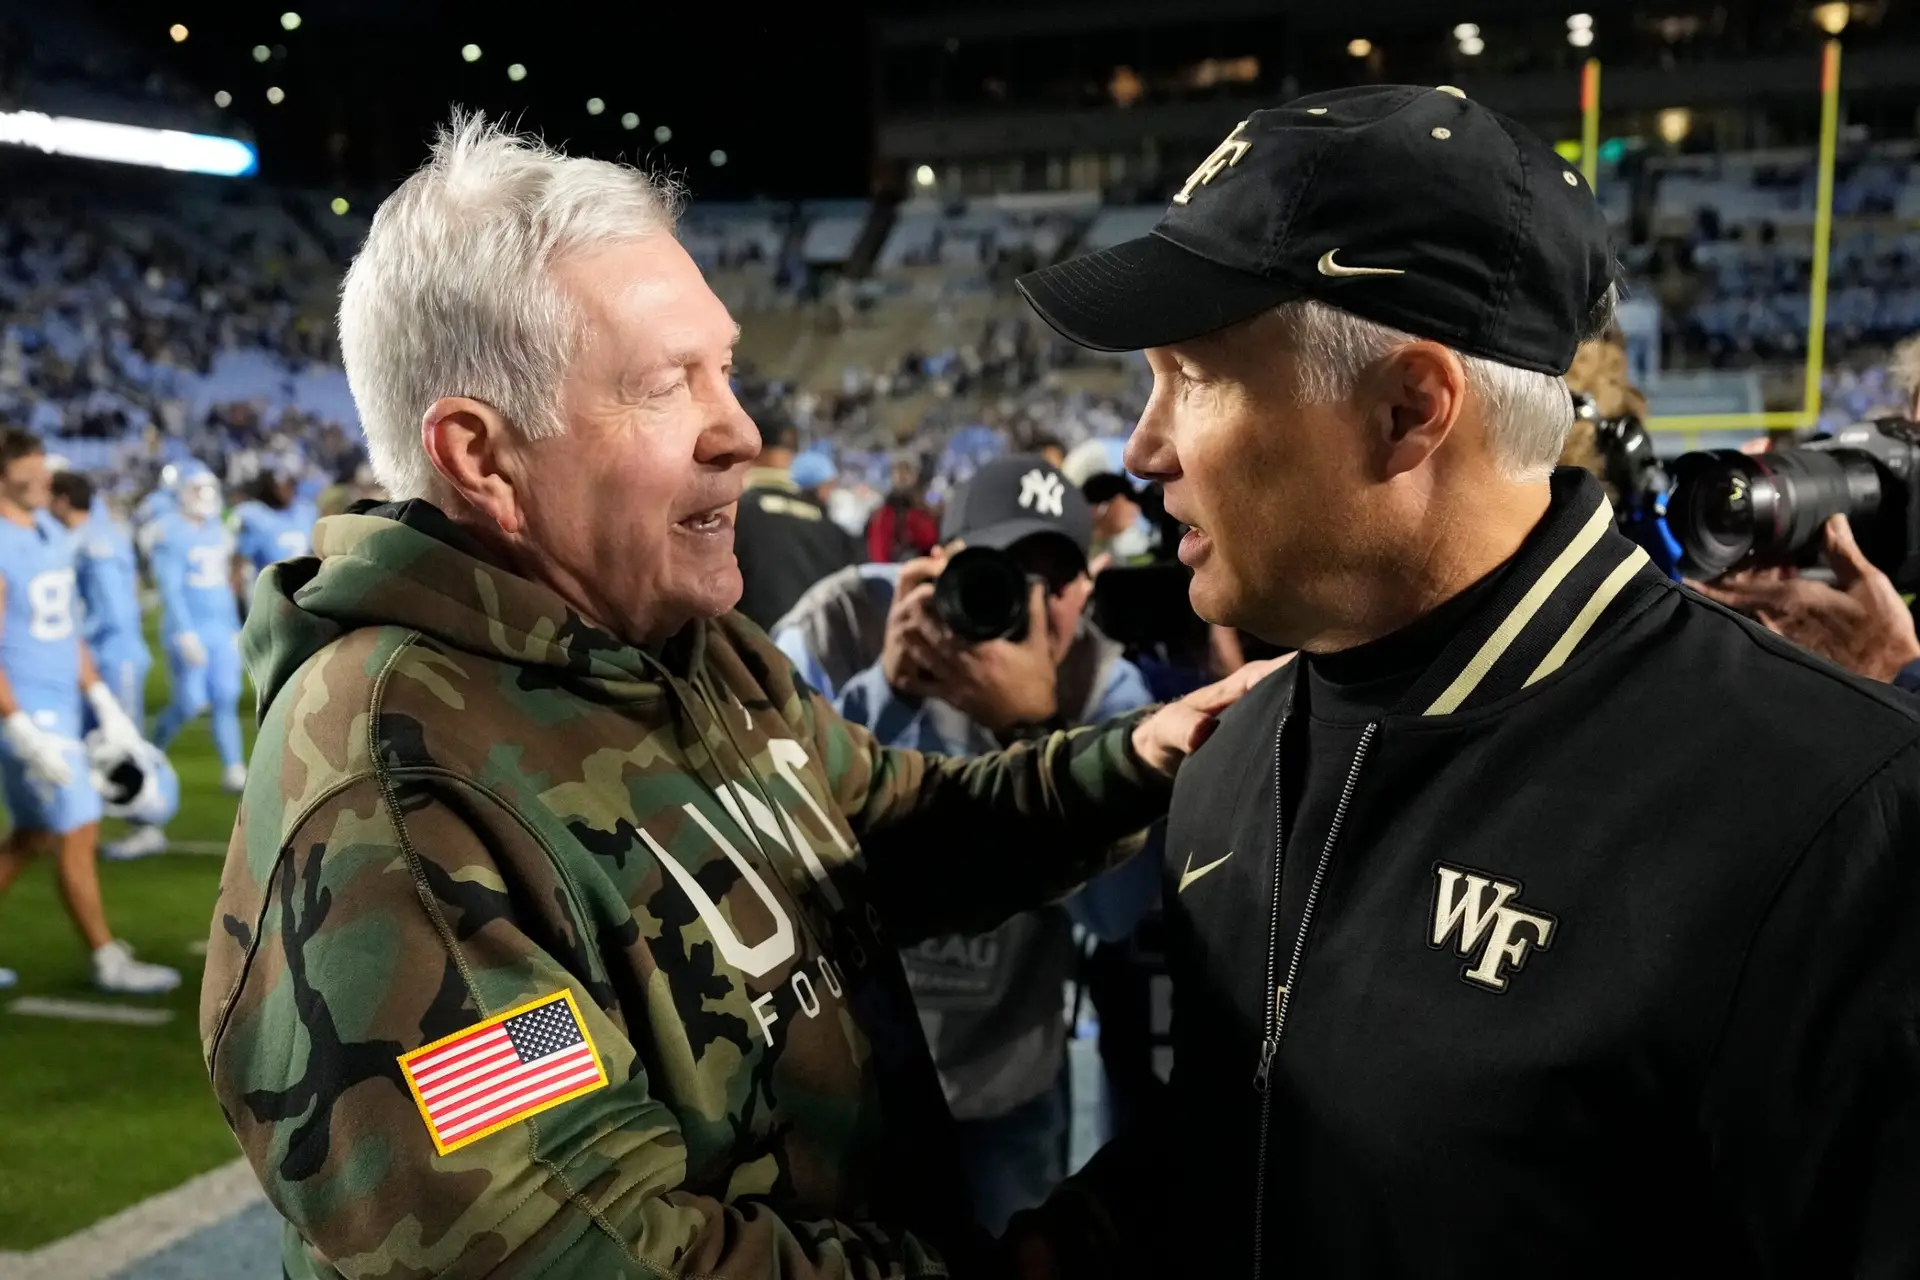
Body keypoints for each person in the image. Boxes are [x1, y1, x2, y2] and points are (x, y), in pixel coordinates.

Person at [201, 114, 1275, 1280]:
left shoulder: (685, 647)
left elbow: (884, 832)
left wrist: (1147, 754)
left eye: (726, 367)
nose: (744, 431)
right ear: (481, 455)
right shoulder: (404, 806)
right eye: (668, 385)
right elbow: (588, 1251)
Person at [1006, 86, 1920, 1276]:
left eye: (1192, 375)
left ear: (1408, 410)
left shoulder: (1831, 819)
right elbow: (1242, 1155)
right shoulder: (1229, 762)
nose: (1143, 447)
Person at [827, 454, 1159, 1232]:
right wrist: (890, 691)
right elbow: (808, 842)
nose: (1029, 606)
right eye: (1001, 570)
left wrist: (1039, 730)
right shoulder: (866, 644)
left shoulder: (1104, 690)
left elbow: (1116, 917)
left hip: (1009, 1078)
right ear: (936, 567)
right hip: (864, 1074)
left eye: (1057, 583)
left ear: (1088, 585)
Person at [0, 428, 178, 994]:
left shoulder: (49, 529)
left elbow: (66, 629)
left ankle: (108, 956)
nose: (43, 483)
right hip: (27, 708)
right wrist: (19, 726)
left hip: (61, 698)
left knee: (32, 836)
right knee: (79, 825)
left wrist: (100, 695)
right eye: (29, 475)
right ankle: (107, 959)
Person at [48, 471, 166, 860]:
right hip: (103, 654)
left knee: (125, 743)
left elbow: (114, 610)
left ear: (63, 500)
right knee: (86, 742)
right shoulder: (107, 532)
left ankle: (148, 826)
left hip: (114, 655)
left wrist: (73, 632)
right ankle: (76, 822)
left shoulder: (85, 541)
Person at [147, 466, 245, 793]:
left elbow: (222, 586)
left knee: (226, 698)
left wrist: (234, 626)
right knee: (190, 702)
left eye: (207, 489)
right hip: (189, 628)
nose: (204, 497)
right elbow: (170, 589)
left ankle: (233, 767)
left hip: (220, 627)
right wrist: (184, 631)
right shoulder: (170, 531)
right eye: (197, 490)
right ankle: (151, 750)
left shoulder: (217, 529)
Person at [732, 413, 860, 629]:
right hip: (817, 652)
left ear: (748, 448)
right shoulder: (828, 525)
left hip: (754, 654)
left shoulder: (733, 515)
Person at [232, 458, 318, 581]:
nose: (284, 489)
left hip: (304, 587)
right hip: (269, 589)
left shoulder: (306, 510)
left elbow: (315, 552)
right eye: (278, 485)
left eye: (288, 483)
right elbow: (239, 562)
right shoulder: (255, 515)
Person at [865, 455, 938, 563]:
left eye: (906, 471)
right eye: (897, 471)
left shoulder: (923, 511)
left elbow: (930, 540)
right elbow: (878, 551)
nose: (901, 477)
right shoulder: (884, 513)